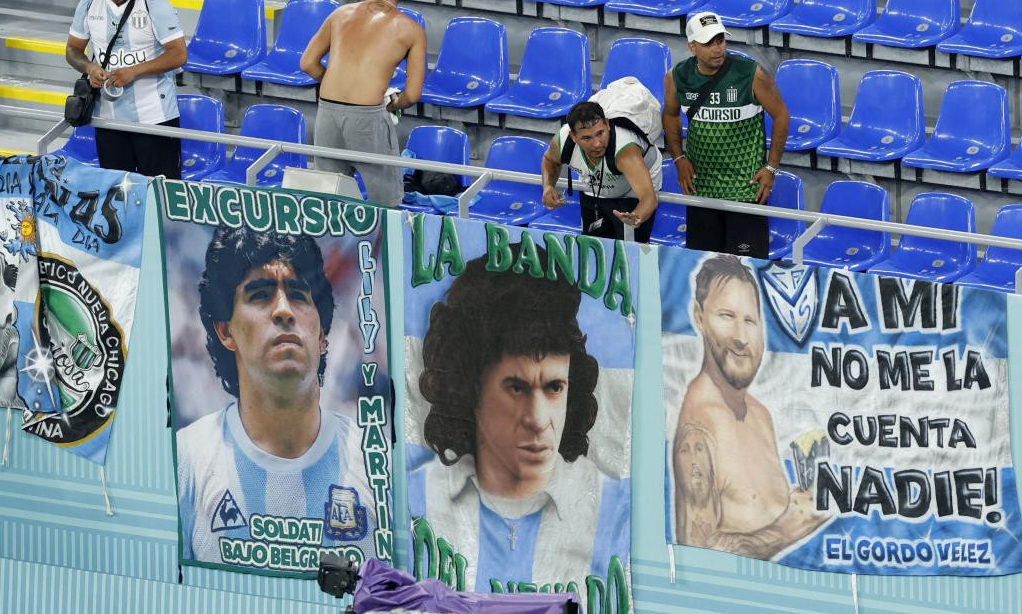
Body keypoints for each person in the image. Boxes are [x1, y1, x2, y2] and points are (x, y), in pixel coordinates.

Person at [409, 244, 628, 590]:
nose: (539, 420)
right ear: (470, 388)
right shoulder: (416, 496)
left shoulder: (615, 510)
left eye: (555, 387)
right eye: (516, 388)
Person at [176, 226, 377, 564]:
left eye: (299, 295)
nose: (284, 310)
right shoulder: (187, 458)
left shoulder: (374, 461)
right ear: (226, 331)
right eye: (260, 294)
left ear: (323, 335)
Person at [672, 254, 826, 559]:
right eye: (727, 316)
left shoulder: (759, 413)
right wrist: (790, 527)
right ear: (699, 318)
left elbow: (761, 511)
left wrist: (804, 503)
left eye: (750, 321)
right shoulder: (698, 432)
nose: (742, 338)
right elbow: (697, 555)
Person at [662, 12, 790, 259]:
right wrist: (679, 159)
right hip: (701, 190)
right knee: (703, 270)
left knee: (744, 272)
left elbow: (782, 116)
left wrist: (772, 168)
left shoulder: (751, 74)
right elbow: (669, 114)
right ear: (692, 46)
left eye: (720, 40)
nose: (717, 48)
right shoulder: (677, 77)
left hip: (745, 190)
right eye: (709, 42)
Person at [300, 0, 427, 207]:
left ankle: (327, 247)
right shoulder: (411, 30)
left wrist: (335, 82)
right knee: (386, 203)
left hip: (327, 112)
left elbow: (307, 63)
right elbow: (412, 95)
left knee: (326, 198)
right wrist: (393, 104)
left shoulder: (340, 13)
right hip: (368, 119)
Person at [65, 0, 188, 178]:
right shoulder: (90, 3)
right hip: (108, 119)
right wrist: (89, 67)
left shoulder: (155, 3)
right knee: (116, 194)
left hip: (155, 118)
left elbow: (178, 54)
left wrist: (134, 71)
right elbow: (73, 50)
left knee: (159, 194)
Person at [541, 100, 661, 242]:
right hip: (595, 186)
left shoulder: (626, 152)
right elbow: (550, 160)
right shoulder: (562, 141)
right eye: (587, 138)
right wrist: (548, 186)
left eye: (600, 133)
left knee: (631, 254)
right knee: (594, 245)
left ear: (607, 124)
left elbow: (649, 198)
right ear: (573, 137)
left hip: (632, 192)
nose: (597, 143)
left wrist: (636, 216)